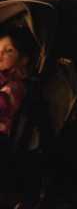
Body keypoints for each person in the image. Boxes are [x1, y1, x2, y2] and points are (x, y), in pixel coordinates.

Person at [0, 26, 33, 167]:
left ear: (23, 59)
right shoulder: (4, 78)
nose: (0, 54)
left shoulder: (15, 86)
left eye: (9, 51)